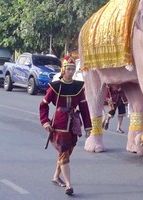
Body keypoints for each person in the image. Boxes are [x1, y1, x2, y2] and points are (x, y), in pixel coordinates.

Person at [39, 57, 91, 196]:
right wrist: (45, 121)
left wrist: (88, 126)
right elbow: (43, 105)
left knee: (67, 153)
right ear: (63, 69)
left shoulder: (78, 87)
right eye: (68, 69)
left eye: (73, 69)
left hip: (73, 124)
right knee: (64, 153)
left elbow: (84, 107)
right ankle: (69, 185)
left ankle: (56, 176)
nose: (71, 72)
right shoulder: (55, 86)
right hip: (59, 124)